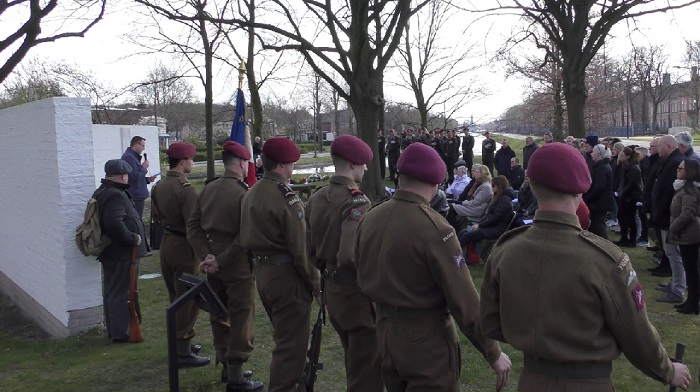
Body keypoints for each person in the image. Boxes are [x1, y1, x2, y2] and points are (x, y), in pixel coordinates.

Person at [480, 143, 692, 391]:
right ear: (582, 189)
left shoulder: (505, 250)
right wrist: (667, 370)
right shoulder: (605, 259)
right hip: (588, 382)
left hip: (531, 379)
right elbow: (636, 335)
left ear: (533, 187)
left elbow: (492, 323)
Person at [355, 142, 511, 392]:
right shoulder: (436, 229)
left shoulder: (371, 217)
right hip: (425, 341)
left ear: (399, 176)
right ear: (436, 183)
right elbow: (465, 301)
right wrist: (492, 352)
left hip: (384, 331)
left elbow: (360, 271)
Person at [239, 137, 320, 392]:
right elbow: (300, 250)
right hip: (287, 278)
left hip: (264, 272)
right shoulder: (286, 198)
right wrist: (317, 285)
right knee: (291, 348)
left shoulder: (252, 192)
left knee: (287, 338)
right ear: (284, 165)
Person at [305, 135, 383, 392]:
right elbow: (350, 255)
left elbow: (309, 247)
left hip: (333, 291)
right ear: (352, 164)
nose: (366, 168)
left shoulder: (317, 198)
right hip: (355, 296)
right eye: (363, 164)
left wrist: (325, 272)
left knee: (356, 360)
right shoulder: (357, 201)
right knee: (367, 371)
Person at [187, 141, 264, 391]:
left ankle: (225, 364)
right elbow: (246, 235)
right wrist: (218, 259)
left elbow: (193, 227)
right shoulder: (244, 193)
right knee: (242, 316)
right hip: (236, 262)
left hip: (213, 260)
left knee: (218, 313)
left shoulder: (208, 189)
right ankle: (236, 374)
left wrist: (206, 255)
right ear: (242, 163)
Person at [150, 142, 210, 367]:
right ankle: (182, 349)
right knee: (187, 298)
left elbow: (156, 215)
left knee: (175, 295)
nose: (192, 163)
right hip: (184, 245)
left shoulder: (159, 185)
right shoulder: (185, 189)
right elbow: (194, 224)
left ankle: (178, 342)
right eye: (191, 159)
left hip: (167, 242)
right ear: (183, 161)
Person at [95, 159, 148, 343]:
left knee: (113, 291)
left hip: (113, 252)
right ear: (123, 176)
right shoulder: (116, 195)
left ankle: (115, 329)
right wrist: (132, 237)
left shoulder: (103, 191)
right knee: (122, 292)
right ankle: (122, 332)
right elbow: (114, 222)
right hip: (121, 252)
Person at [653, 135, 687, 304]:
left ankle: (678, 289)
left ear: (668, 146)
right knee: (671, 253)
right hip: (665, 215)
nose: (658, 149)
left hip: (669, 217)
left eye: (659, 146)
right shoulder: (670, 162)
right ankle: (675, 283)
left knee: (674, 254)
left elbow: (669, 193)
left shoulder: (675, 163)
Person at [667, 158, 700, 315]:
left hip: (690, 234)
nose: (677, 170)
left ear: (689, 172)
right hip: (686, 233)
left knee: (692, 269)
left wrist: (673, 227)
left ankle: (694, 303)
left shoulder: (689, 190)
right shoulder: (684, 188)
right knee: (690, 268)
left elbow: (688, 213)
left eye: (680, 169)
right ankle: (690, 300)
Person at [457, 175, 515, 246]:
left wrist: (480, 225)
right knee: (463, 232)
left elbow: (495, 218)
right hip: (489, 226)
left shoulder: (505, 200)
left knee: (466, 235)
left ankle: (457, 256)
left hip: (495, 229)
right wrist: (478, 223)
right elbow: (488, 215)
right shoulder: (498, 197)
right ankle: (455, 253)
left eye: (493, 185)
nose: (491, 187)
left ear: (499, 186)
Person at [120, 136, 157, 219]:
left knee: (137, 218)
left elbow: (136, 175)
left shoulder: (133, 157)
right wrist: (144, 167)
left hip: (137, 194)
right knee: (135, 219)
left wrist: (147, 179)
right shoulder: (129, 157)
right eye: (143, 146)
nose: (144, 148)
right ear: (136, 145)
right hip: (134, 195)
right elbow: (135, 177)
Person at [583, 144, 614, 239]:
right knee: (594, 225)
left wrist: (588, 197)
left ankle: (606, 247)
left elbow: (599, 187)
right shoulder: (600, 166)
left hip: (600, 202)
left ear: (599, 154)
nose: (591, 154)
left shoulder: (602, 168)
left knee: (599, 225)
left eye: (593, 152)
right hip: (597, 201)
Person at [614, 147, 643, 248]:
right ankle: (624, 238)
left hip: (630, 197)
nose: (620, 157)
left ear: (628, 157)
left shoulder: (634, 168)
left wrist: (623, 193)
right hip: (624, 195)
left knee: (630, 218)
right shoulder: (624, 166)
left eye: (622, 156)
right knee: (622, 217)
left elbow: (633, 184)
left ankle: (632, 240)